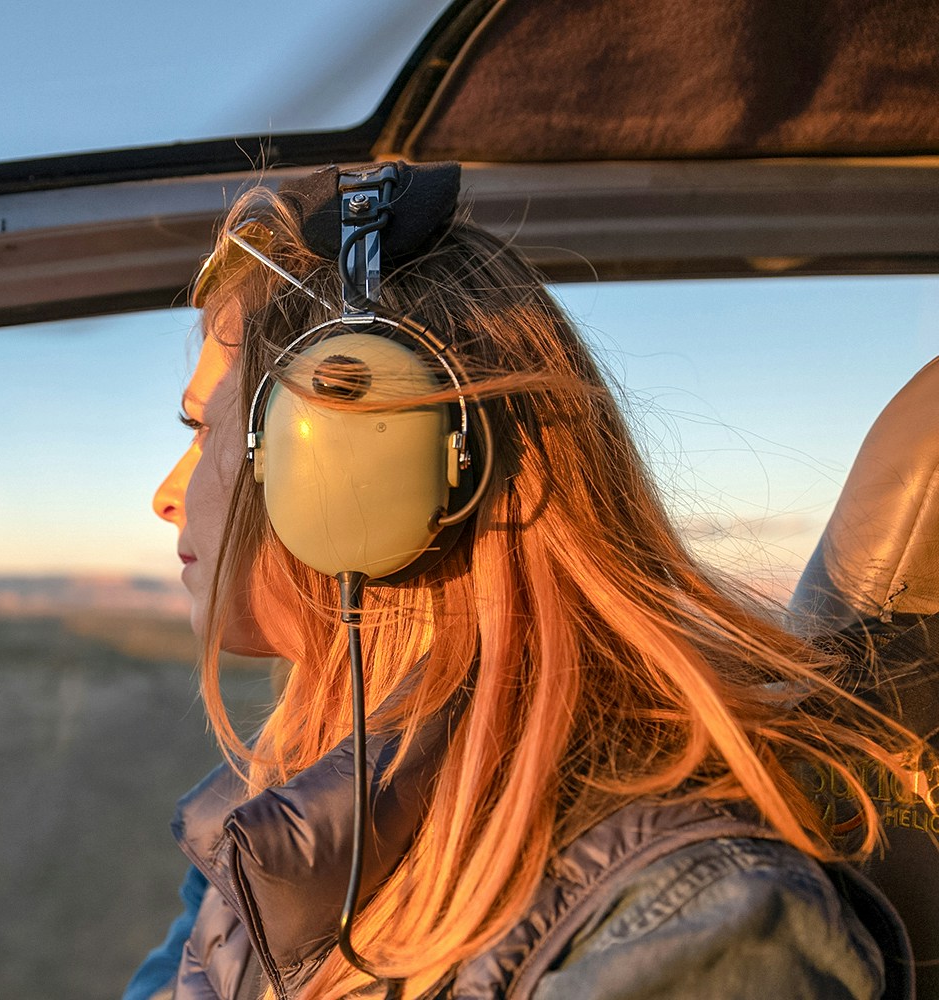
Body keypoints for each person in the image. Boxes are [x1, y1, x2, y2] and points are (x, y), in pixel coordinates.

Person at [133, 161, 922, 1000]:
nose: (167, 495)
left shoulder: (693, 927)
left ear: (352, 465)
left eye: (204, 428)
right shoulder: (272, 827)